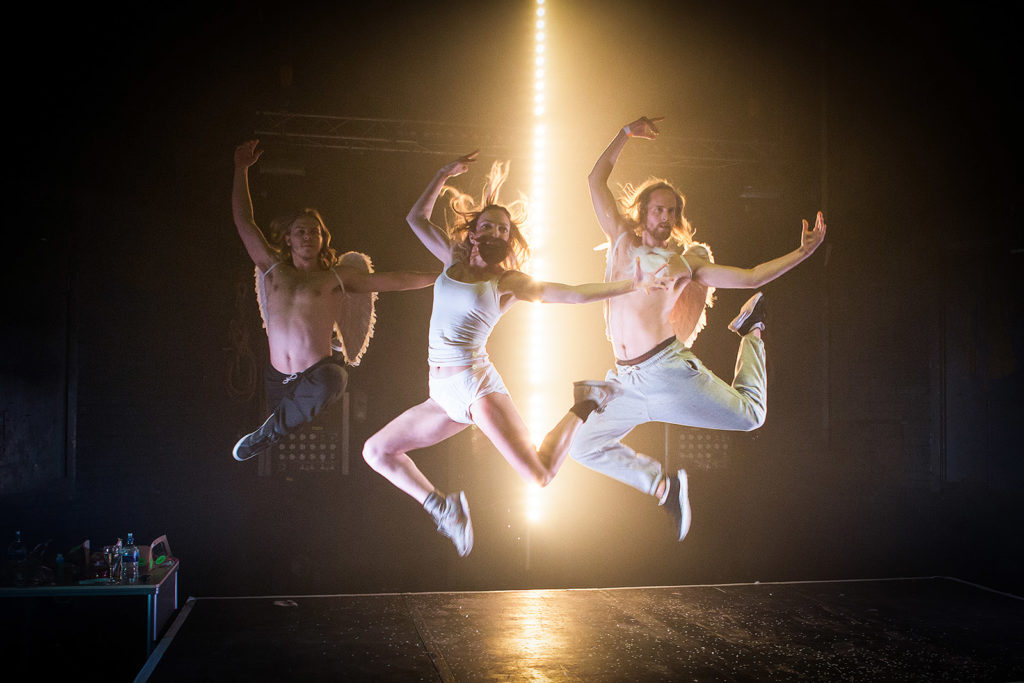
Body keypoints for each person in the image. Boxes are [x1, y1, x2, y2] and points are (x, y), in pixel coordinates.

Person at [361, 151, 665, 557]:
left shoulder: (508, 281)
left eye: (503, 229)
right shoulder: (451, 258)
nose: (494, 232)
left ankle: (585, 403)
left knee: (539, 475)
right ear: (473, 232)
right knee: (377, 451)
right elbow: (416, 219)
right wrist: (440, 174)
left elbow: (572, 294)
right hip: (441, 392)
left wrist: (630, 285)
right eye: (487, 225)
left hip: (475, 386)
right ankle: (444, 509)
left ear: (508, 239)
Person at [570, 116, 827, 541]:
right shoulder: (620, 239)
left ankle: (752, 332)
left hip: (667, 373)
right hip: (626, 381)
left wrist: (802, 253)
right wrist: (624, 135)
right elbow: (596, 178)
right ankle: (662, 485)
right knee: (581, 446)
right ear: (643, 212)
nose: (666, 217)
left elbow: (751, 277)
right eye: (659, 209)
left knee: (751, 417)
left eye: (672, 212)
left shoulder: (685, 264)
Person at [231, 139, 439, 462]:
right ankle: (274, 427)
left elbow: (393, 280)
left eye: (315, 232)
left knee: (336, 378)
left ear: (322, 239)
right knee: (290, 406)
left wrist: (442, 277)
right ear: (288, 238)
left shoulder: (335, 278)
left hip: (317, 377)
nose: (307, 236)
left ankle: (271, 432)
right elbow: (245, 224)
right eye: (301, 231)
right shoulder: (273, 269)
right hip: (278, 383)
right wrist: (240, 169)